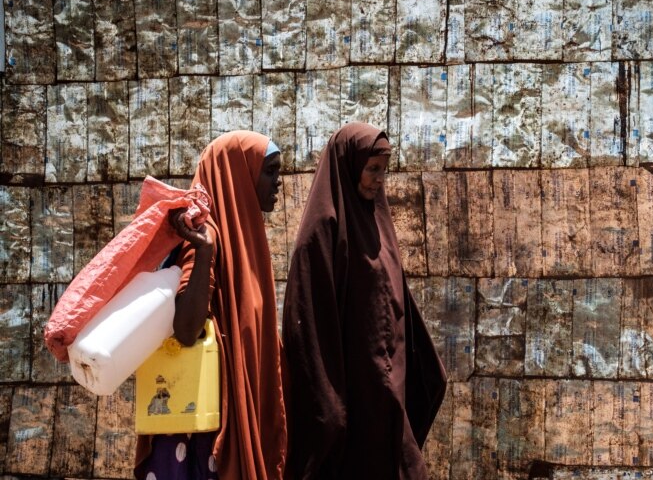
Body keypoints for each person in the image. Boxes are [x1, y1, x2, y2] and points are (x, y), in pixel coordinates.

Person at [282, 122, 447, 480]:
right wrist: (329, 404)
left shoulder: (377, 222)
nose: (378, 179)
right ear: (348, 165)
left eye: (383, 170)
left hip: (386, 379)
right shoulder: (321, 234)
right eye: (372, 169)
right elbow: (308, 320)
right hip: (352, 388)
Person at [135, 130, 288, 480]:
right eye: (269, 171)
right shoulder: (205, 235)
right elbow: (186, 330)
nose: (278, 182)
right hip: (201, 433)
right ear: (238, 176)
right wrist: (204, 252)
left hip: (221, 416)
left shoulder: (245, 238)